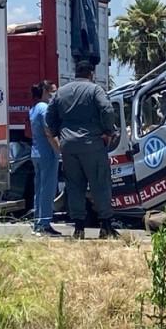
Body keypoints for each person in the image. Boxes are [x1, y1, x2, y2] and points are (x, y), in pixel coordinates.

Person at [45, 60, 118, 240]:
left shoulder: (61, 92)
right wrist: (109, 131)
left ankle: (79, 228)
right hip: (92, 144)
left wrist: (57, 133)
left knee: (74, 185)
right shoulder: (95, 90)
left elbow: (49, 116)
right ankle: (106, 226)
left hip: (68, 146)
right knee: (99, 184)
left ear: (75, 72)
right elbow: (107, 109)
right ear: (91, 74)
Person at [29, 80, 62, 237]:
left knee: (39, 190)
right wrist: (59, 149)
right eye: (52, 92)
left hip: (36, 153)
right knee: (48, 190)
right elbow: (49, 133)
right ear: (45, 91)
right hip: (47, 154)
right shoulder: (45, 109)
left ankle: (37, 222)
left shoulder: (34, 109)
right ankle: (45, 223)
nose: (54, 95)